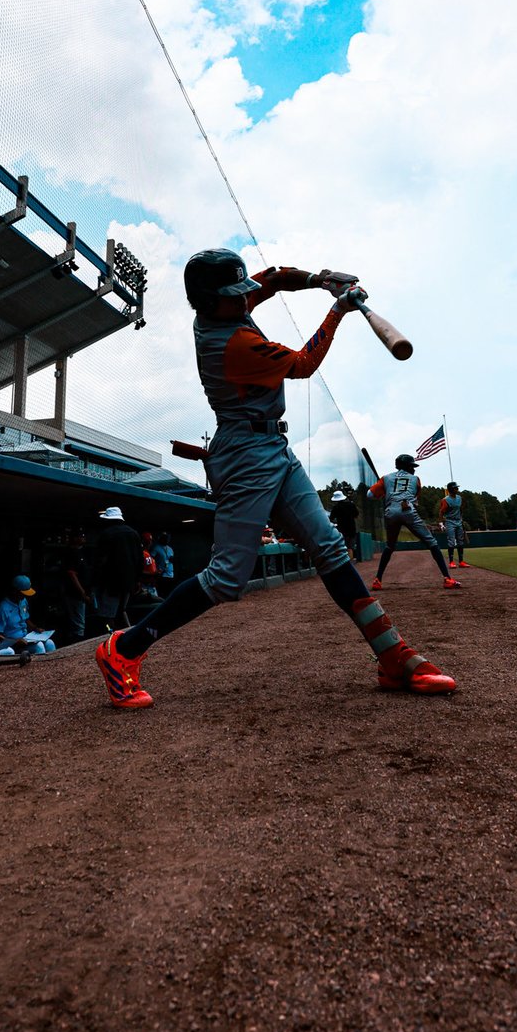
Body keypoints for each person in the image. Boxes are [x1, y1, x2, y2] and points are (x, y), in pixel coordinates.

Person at [94, 249, 455, 709]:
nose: (245, 300)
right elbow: (304, 363)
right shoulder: (228, 343)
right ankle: (124, 649)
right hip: (244, 453)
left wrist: (323, 279)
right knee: (227, 578)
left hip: (271, 446)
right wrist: (339, 309)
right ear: (208, 301)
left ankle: (392, 655)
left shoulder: (228, 306)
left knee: (328, 547)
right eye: (234, 295)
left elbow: (277, 278)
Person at [367, 455, 462, 590]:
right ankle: (447, 578)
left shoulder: (386, 478)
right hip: (407, 510)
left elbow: (369, 495)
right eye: (412, 466)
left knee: (390, 546)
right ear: (406, 466)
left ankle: (377, 580)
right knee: (432, 543)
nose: (414, 469)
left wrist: (384, 491)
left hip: (390, 511)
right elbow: (415, 500)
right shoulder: (415, 480)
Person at [94, 507, 144, 629]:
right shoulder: (133, 533)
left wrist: (96, 581)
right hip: (128, 582)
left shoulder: (107, 534)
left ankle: (109, 636)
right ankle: (128, 633)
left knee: (107, 615)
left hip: (110, 583)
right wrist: (137, 580)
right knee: (122, 610)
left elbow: (101, 560)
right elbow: (139, 559)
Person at [0, 575, 55, 653]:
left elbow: (26, 618)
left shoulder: (23, 601)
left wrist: (35, 628)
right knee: (39, 646)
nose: (25, 596)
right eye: (23, 593)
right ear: (14, 591)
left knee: (49, 643)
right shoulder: (2, 608)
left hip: (26, 639)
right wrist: (14, 641)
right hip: (12, 646)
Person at [61, 527, 94, 642]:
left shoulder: (81, 552)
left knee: (80, 622)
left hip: (82, 593)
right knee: (78, 624)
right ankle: (75, 647)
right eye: (81, 536)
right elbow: (72, 574)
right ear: (74, 538)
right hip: (74, 593)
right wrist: (83, 592)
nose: (83, 538)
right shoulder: (71, 552)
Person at [438, 481, 470, 569]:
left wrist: (461, 519)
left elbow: (461, 509)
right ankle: (451, 562)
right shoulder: (445, 500)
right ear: (451, 490)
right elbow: (441, 512)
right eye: (455, 488)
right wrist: (441, 523)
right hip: (449, 521)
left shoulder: (459, 498)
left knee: (460, 541)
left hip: (458, 521)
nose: (457, 489)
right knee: (451, 542)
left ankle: (461, 561)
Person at [328, 490, 360, 560]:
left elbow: (331, 518)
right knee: (350, 548)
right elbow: (356, 515)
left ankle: (343, 563)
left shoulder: (336, 508)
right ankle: (350, 563)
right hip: (352, 529)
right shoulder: (351, 505)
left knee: (342, 548)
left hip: (342, 530)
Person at [152, 531, 175, 596]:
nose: (167, 539)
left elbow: (171, 560)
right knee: (162, 593)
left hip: (170, 575)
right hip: (161, 575)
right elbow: (151, 559)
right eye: (165, 538)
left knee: (169, 594)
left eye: (168, 538)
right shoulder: (156, 548)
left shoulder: (170, 549)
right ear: (161, 538)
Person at [140, 532, 160, 600]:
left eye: (150, 541)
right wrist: (154, 574)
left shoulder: (147, 553)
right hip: (145, 587)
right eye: (147, 541)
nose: (149, 543)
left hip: (151, 587)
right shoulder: (141, 554)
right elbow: (138, 572)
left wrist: (156, 571)